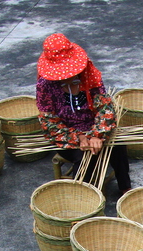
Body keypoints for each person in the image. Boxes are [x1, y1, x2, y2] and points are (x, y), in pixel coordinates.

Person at [35, 33, 132, 194]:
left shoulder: (89, 74)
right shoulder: (45, 86)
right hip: (66, 135)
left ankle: (125, 187)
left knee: (118, 145)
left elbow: (105, 108)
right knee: (84, 157)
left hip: (95, 126)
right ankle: (83, 197)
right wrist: (78, 137)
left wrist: (97, 135)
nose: (66, 77)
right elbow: (48, 122)